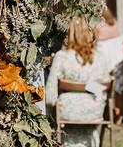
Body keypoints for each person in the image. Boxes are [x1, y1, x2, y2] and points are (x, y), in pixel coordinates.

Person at [45, 15, 112, 147]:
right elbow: (105, 88)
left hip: (68, 112)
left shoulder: (62, 57)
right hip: (94, 111)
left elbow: (50, 95)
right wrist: (89, 88)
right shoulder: (99, 57)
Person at [95, 3, 123, 73]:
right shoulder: (114, 21)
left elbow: (95, 42)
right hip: (118, 55)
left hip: (104, 55)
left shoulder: (98, 25)